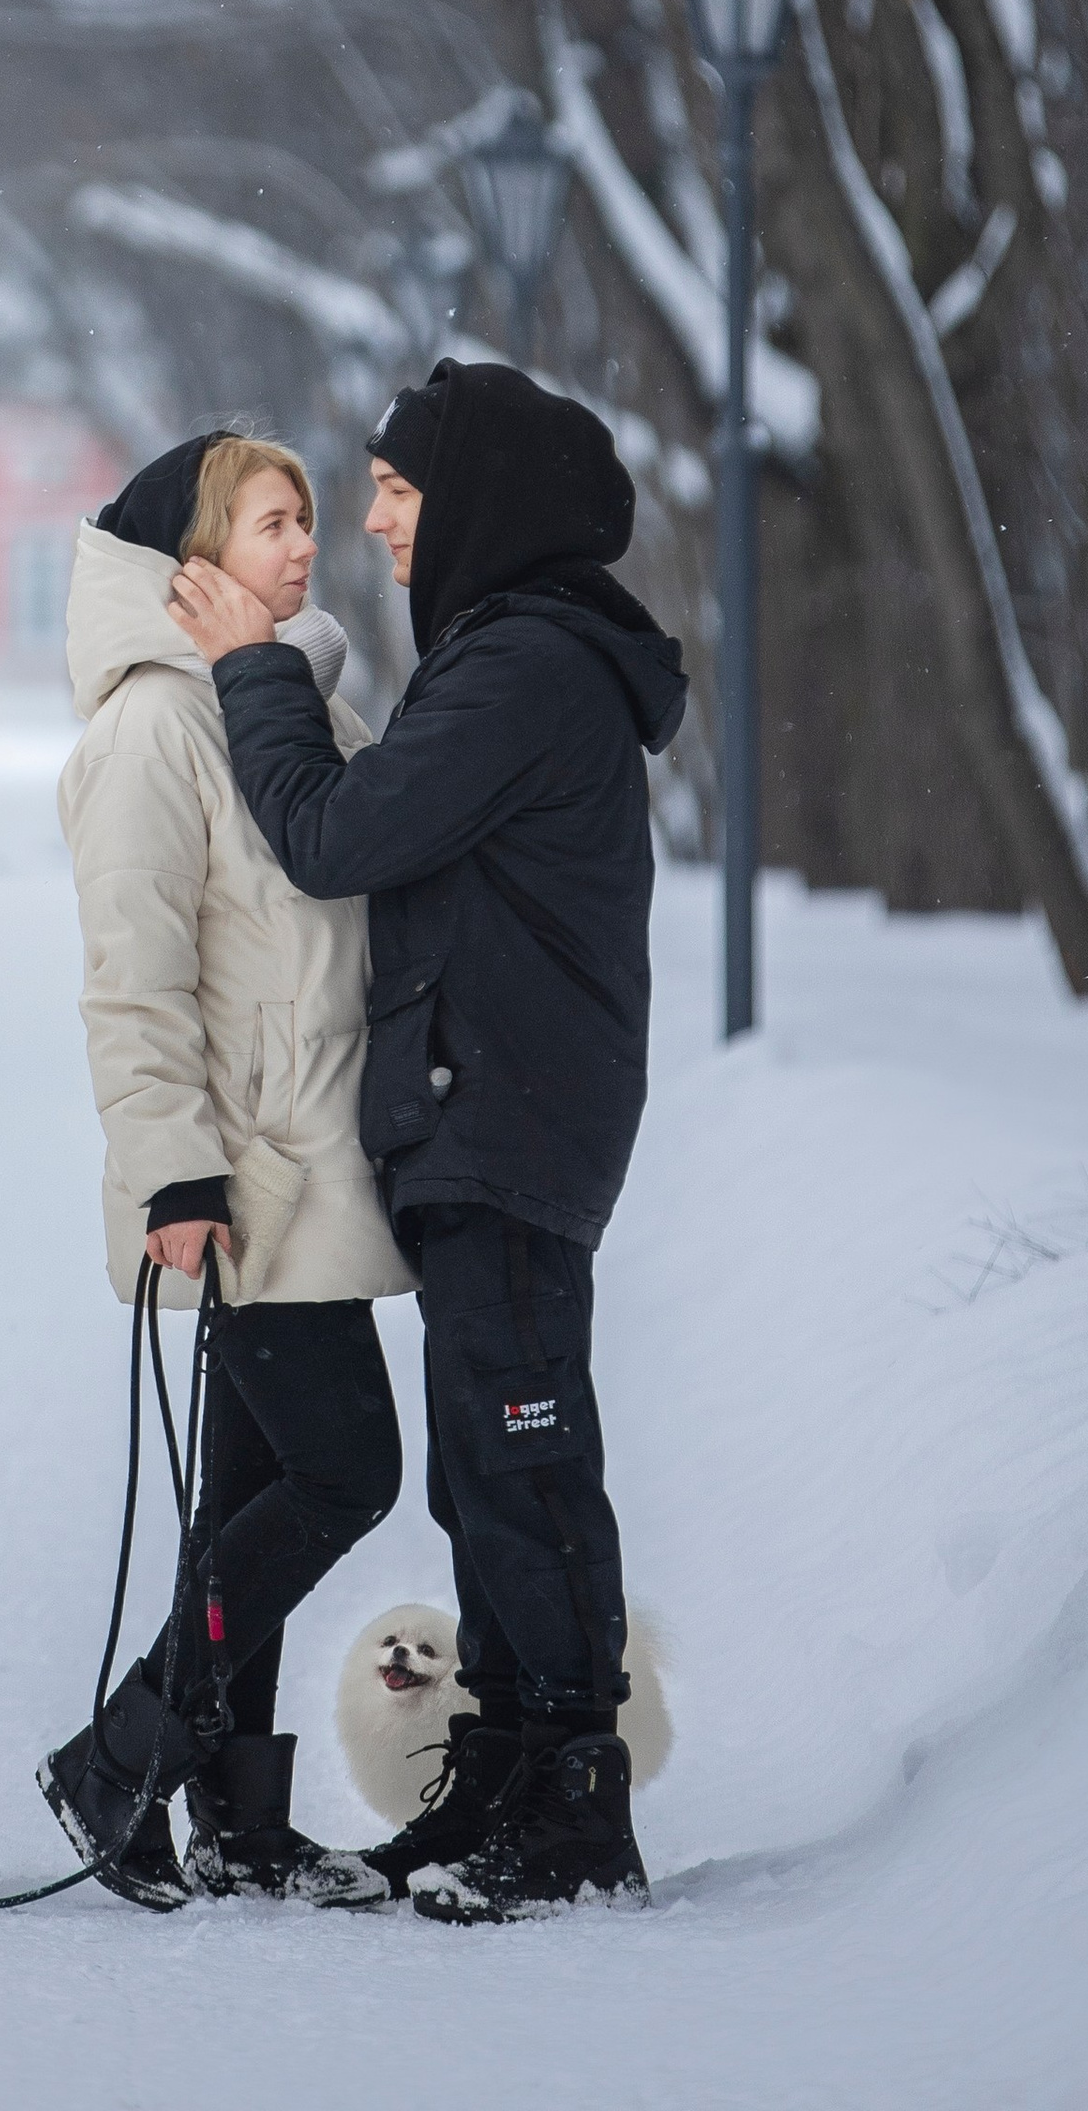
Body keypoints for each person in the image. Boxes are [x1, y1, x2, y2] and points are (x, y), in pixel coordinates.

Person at [169, 361, 687, 1923]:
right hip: (492, 1109)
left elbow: (337, 834)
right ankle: (516, 1769)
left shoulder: (522, 666)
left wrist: (254, 666)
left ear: (472, 502)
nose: (377, 525)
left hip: (511, 1113)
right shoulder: (513, 654)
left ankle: (573, 1807)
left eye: (396, 493)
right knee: (483, 1468)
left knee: (523, 1464)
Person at [35, 429, 414, 1912]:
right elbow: (137, 985)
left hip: (322, 1158)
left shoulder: (302, 705)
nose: (305, 542)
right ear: (195, 562)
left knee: (250, 1497)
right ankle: (119, 1755)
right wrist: (174, 1179)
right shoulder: (148, 733)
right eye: (272, 521)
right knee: (347, 1472)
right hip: (248, 1181)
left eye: (308, 518)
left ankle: (242, 1824)